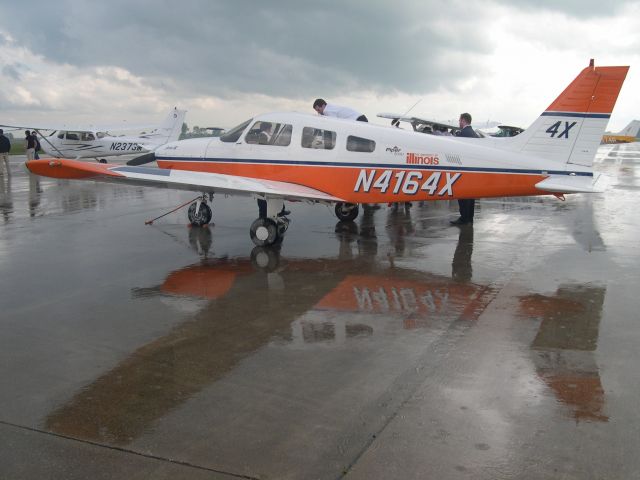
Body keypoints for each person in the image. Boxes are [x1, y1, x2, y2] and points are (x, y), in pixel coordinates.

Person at [451, 113, 479, 225]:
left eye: (459, 120)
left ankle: (464, 218)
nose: (459, 122)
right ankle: (469, 218)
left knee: (462, 196)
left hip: (463, 168)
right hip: (473, 169)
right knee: (470, 196)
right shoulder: (474, 134)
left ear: (463, 120)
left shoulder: (463, 134)